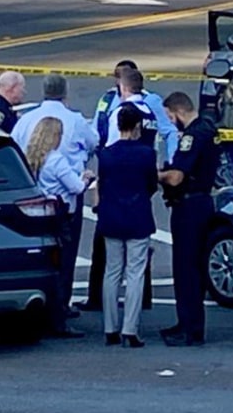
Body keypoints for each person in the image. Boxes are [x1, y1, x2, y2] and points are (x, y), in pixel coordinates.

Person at [11, 74, 99, 327]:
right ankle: (60, 308)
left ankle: (42, 303)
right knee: (65, 258)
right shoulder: (75, 121)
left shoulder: (26, 121)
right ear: (65, 93)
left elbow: (14, 149)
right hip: (66, 201)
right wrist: (84, 175)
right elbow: (94, 143)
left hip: (34, 202)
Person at [81, 66, 160, 313]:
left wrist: (99, 193)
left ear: (123, 87)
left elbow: (114, 152)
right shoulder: (150, 112)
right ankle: (140, 304)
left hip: (117, 189)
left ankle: (107, 314)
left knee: (110, 262)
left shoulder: (122, 112)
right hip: (141, 185)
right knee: (139, 253)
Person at [158, 92, 221, 347]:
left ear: (176, 111)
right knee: (193, 266)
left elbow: (177, 177)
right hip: (202, 202)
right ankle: (188, 322)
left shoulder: (193, 135)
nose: (170, 121)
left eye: (169, 116)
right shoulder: (209, 128)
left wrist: (157, 174)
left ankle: (190, 328)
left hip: (190, 206)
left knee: (186, 268)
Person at [23, 115, 93, 339]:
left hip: (44, 215)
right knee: (63, 268)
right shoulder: (56, 160)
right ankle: (59, 319)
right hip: (63, 216)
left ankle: (46, 315)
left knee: (49, 267)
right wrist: (86, 178)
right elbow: (76, 187)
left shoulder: (32, 158)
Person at [97, 104, 159, 349]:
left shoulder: (106, 154)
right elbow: (151, 184)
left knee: (111, 272)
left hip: (111, 215)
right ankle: (130, 329)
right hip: (137, 214)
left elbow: (102, 183)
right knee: (135, 273)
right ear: (137, 126)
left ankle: (109, 327)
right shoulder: (146, 154)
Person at [94, 60, 179, 161]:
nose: (119, 79)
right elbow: (95, 130)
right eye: (117, 75)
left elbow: (170, 131)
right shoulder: (107, 98)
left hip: (134, 160)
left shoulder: (150, 100)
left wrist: (173, 161)